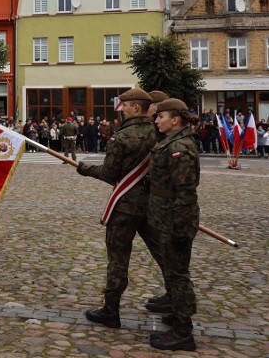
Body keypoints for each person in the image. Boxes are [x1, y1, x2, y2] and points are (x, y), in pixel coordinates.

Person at [76, 88, 167, 330]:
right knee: (164, 253)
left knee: (118, 259)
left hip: (125, 206)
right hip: (150, 205)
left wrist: (84, 169)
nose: (121, 108)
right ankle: (175, 300)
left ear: (136, 107)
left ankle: (110, 310)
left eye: (125, 105)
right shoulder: (158, 133)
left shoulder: (122, 137)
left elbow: (109, 173)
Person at [147, 98, 200, 351]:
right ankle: (178, 315)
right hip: (164, 218)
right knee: (172, 270)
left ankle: (183, 332)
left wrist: (180, 227)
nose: (156, 121)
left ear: (174, 119)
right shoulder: (169, 142)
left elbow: (186, 192)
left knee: (178, 275)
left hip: (174, 221)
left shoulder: (179, 147)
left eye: (160, 117)